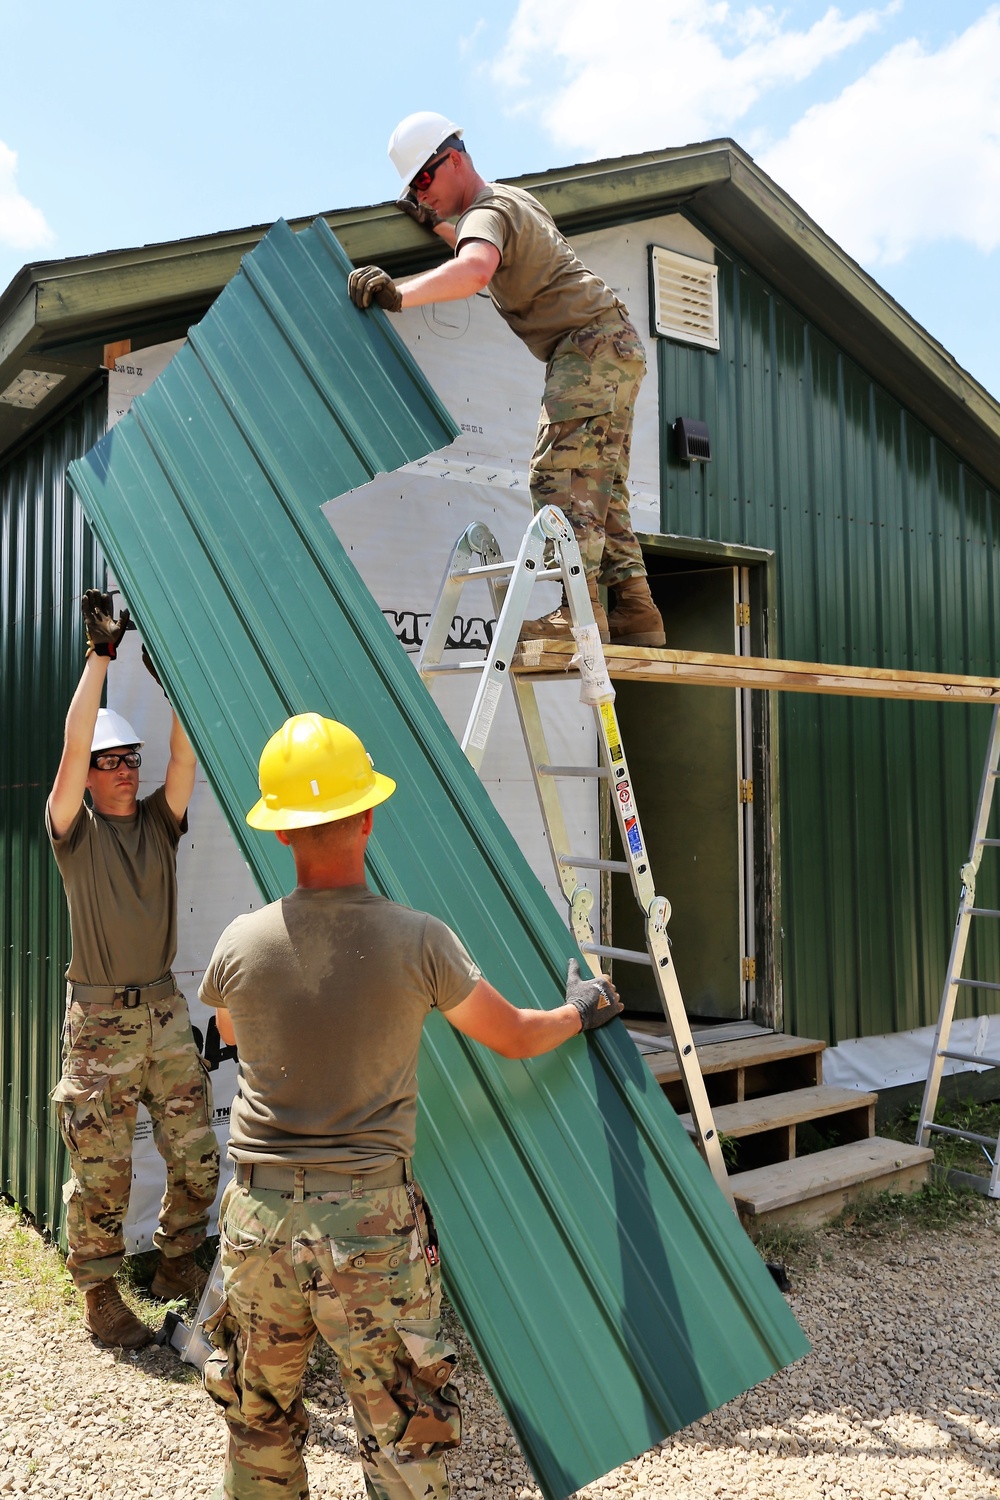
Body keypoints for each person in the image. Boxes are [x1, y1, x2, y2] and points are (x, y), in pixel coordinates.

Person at [200, 711, 623, 1500]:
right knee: (403, 1435)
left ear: (281, 833)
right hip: (368, 1227)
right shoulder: (420, 940)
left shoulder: (238, 944)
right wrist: (582, 1009)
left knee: (257, 1423)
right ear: (367, 817)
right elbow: (516, 1039)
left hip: (257, 1223)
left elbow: (231, 1031)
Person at [347, 111, 666, 650]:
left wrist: (396, 293)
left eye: (425, 180)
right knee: (599, 485)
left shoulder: (486, 213)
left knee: (557, 477)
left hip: (584, 346)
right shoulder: (509, 201)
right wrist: (435, 225)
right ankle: (636, 609)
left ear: (455, 159)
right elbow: (474, 248)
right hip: (613, 344)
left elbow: (474, 268)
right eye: (414, 189)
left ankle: (579, 617)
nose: (422, 196)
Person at [46, 589, 220, 1349]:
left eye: (128, 760)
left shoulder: (158, 821)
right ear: (87, 774)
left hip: (164, 1013)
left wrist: (175, 680)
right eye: (107, 762)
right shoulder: (71, 832)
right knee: (102, 1171)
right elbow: (73, 739)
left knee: (197, 1156)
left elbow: (184, 755)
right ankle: (100, 1296)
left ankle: (178, 1262)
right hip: (100, 1025)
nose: (121, 770)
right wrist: (101, 658)